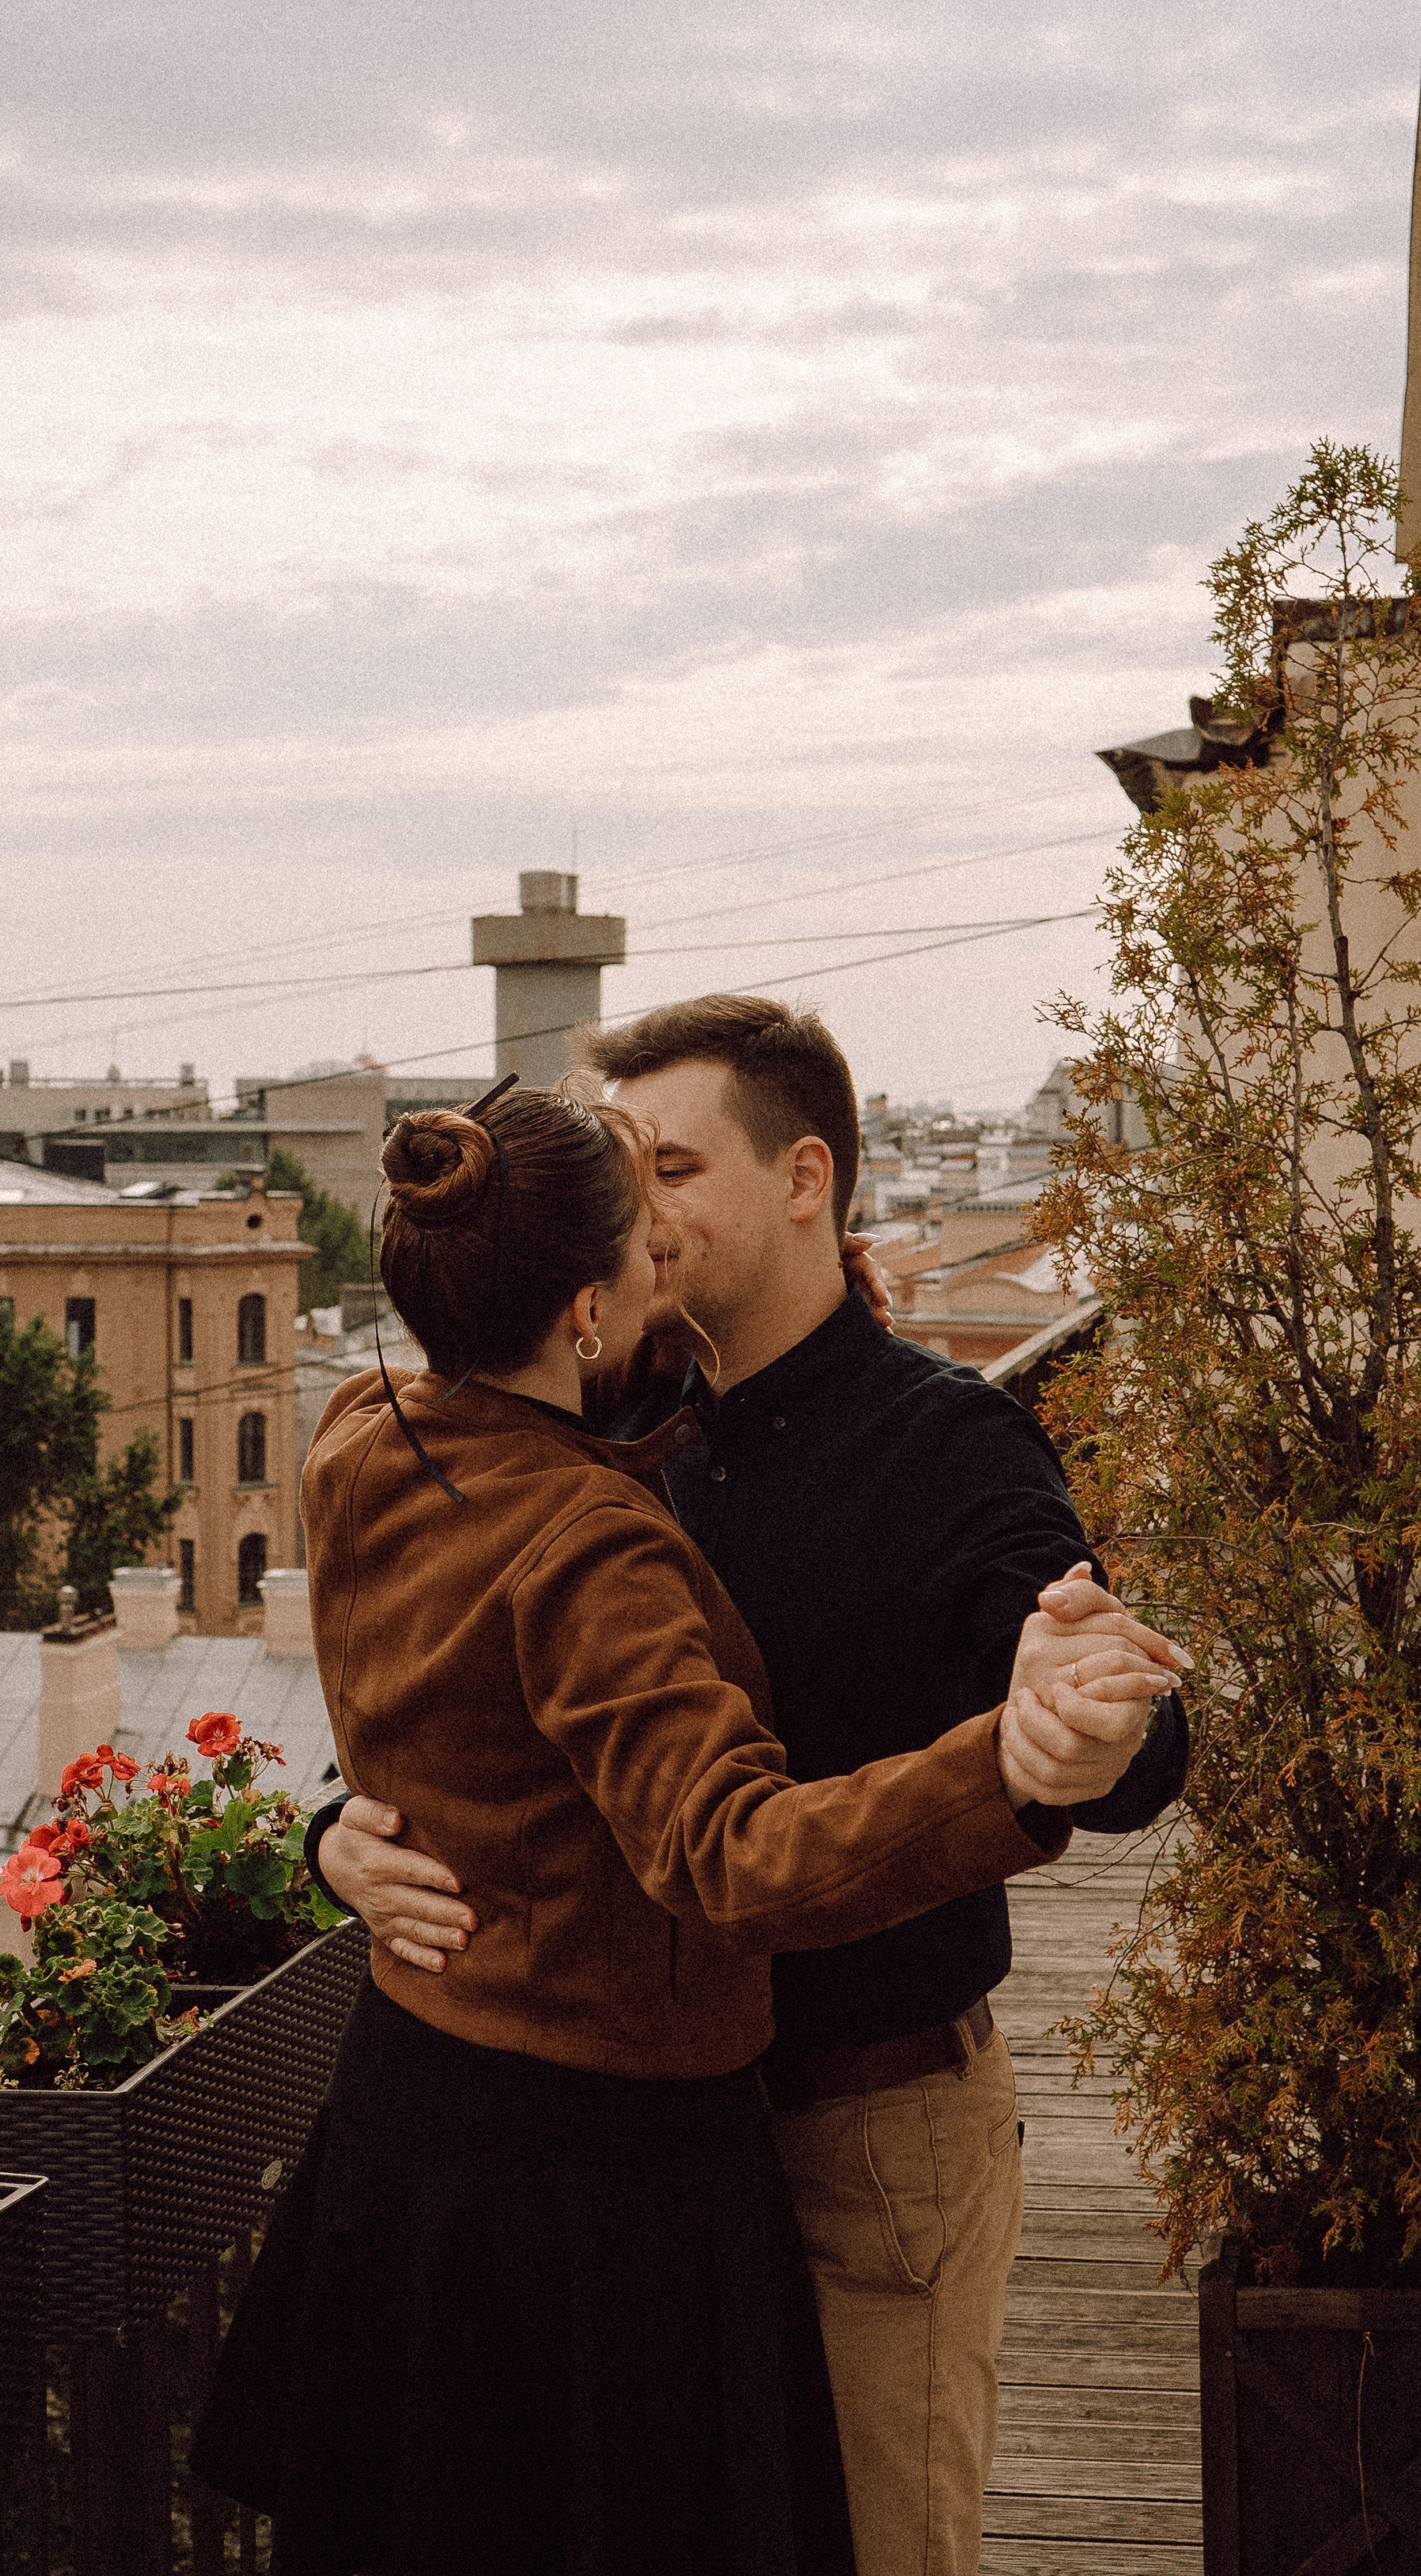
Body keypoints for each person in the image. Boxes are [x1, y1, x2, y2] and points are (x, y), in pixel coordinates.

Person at [196, 1077, 1187, 2576]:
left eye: (675, 1169)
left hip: (579, 2128)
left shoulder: (365, 1426)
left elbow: (1129, 1740)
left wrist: (1088, 1735)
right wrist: (336, 1833)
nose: (658, 1223)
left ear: (804, 1180)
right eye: (633, 1195)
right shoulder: (595, 1507)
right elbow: (711, 1842)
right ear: (586, 1305)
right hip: (601, 2172)